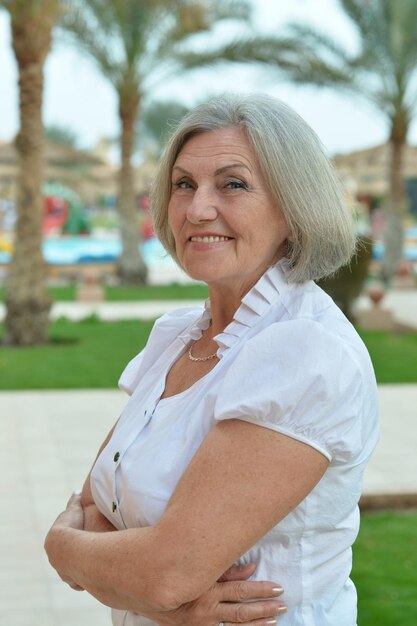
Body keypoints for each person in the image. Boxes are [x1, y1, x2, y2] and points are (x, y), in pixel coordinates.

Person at [45, 93, 379, 626]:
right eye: (184, 184)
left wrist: (61, 548)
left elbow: (162, 573)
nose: (197, 208)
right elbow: (97, 507)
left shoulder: (305, 352)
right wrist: (153, 594)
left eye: (233, 184)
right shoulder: (177, 336)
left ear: (295, 209)